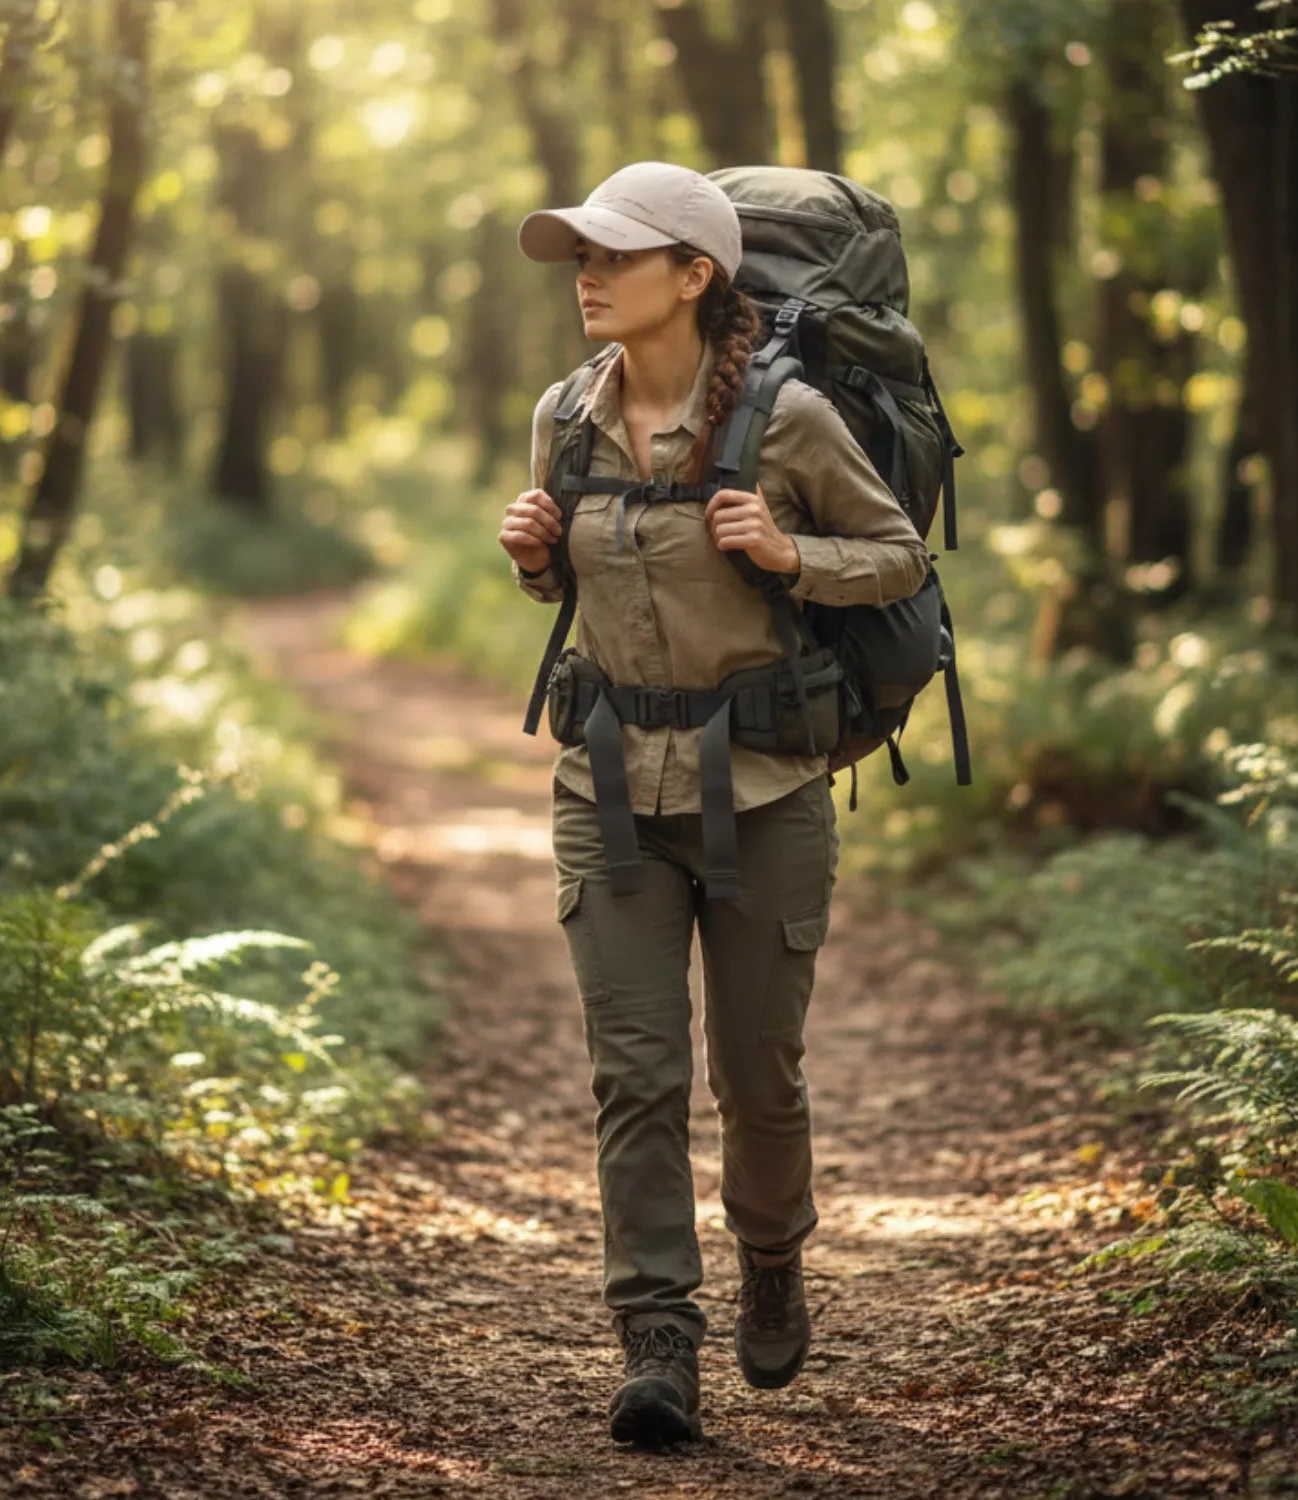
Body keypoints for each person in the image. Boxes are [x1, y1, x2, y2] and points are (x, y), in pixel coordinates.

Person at [499, 161, 928, 1450]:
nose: (587, 276)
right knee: (634, 1078)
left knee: (757, 1078)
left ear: (695, 277)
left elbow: (898, 556)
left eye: (615, 256)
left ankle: (773, 1253)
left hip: (769, 788)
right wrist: (535, 559)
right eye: (580, 255)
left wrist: (792, 553)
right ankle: (657, 1338)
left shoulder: (789, 418)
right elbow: (579, 579)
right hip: (607, 788)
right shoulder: (564, 415)